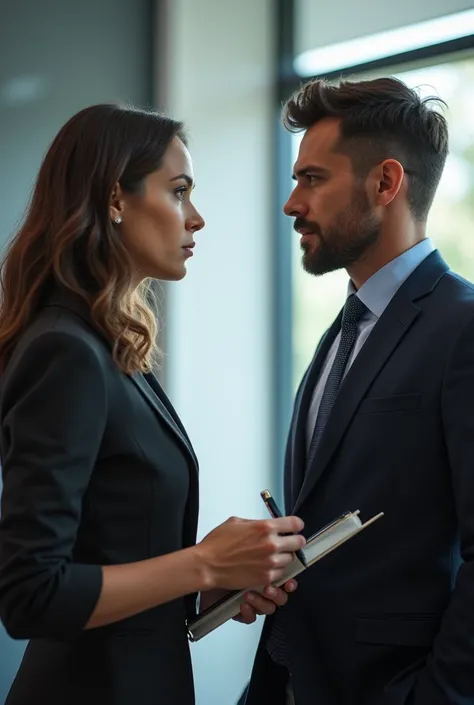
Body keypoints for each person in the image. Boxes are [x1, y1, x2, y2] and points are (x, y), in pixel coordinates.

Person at [0, 104, 307, 705]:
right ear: (116, 197)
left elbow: (106, 553)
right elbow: (30, 594)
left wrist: (204, 587)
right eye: (179, 192)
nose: (196, 218)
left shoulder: (104, 347)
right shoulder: (65, 352)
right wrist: (205, 564)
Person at [245, 76, 474, 705]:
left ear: (386, 183)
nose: (292, 203)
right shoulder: (338, 336)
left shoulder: (464, 327)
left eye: (312, 179)